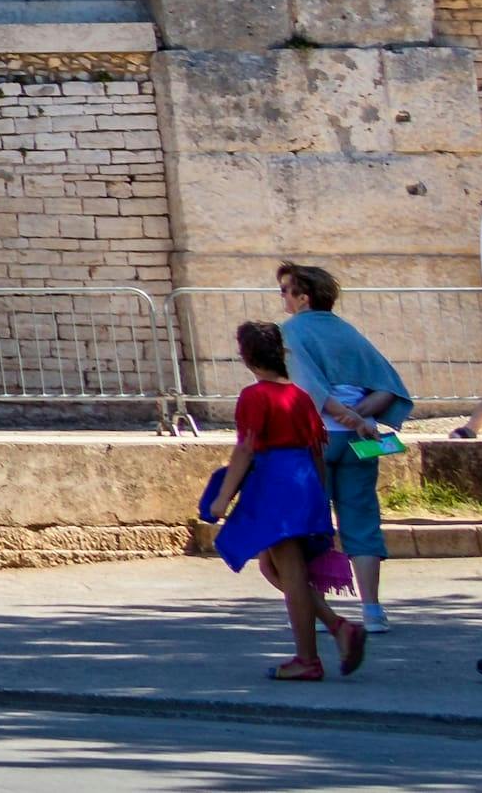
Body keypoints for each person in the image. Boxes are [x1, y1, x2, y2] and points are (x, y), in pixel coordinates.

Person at [202, 315, 357, 683]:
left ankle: (308, 657)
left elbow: (246, 450)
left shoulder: (254, 396)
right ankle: (337, 627)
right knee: (274, 568)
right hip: (303, 481)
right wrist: (320, 497)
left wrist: (222, 499)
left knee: (286, 568)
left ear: (248, 357)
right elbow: (317, 449)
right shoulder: (300, 396)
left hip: (276, 486)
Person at [275, 261, 410, 627]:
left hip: (315, 436)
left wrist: (340, 413)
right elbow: (389, 385)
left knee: (314, 521)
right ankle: (372, 609)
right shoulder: (349, 333)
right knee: (362, 517)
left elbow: (309, 387)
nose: (283, 297)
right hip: (360, 438)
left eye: (286, 290)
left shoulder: (289, 332)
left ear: (303, 298)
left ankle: (319, 609)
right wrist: (359, 415)